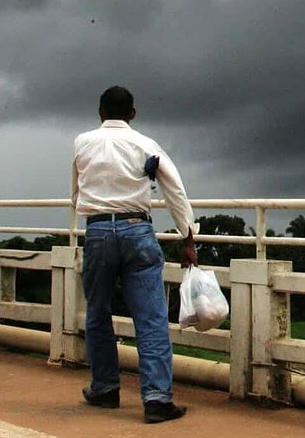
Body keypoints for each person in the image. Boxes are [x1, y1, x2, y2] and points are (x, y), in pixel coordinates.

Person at [72, 86, 198, 424]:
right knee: (151, 318)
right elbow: (175, 189)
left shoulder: (82, 142)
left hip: (97, 230)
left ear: (100, 112)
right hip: (136, 230)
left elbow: (76, 191)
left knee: (98, 312)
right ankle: (156, 398)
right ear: (133, 113)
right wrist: (187, 237)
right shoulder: (146, 145)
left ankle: (105, 389)